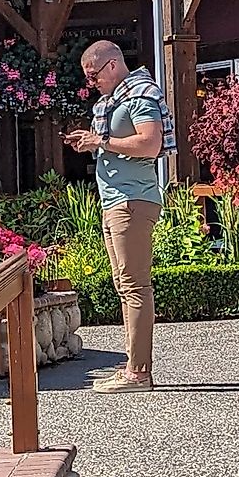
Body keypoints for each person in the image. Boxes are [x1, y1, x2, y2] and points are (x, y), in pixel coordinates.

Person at [64, 40, 167, 393]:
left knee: (135, 286)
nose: (91, 83)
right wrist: (91, 141)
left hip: (133, 201)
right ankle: (134, 367)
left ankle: (138, 373)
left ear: (111, 65)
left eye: (93, 75)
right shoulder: (111, 101)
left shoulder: (140, 93)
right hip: (115, 202)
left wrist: (102, 142)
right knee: (125, 286)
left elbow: (150, 144)